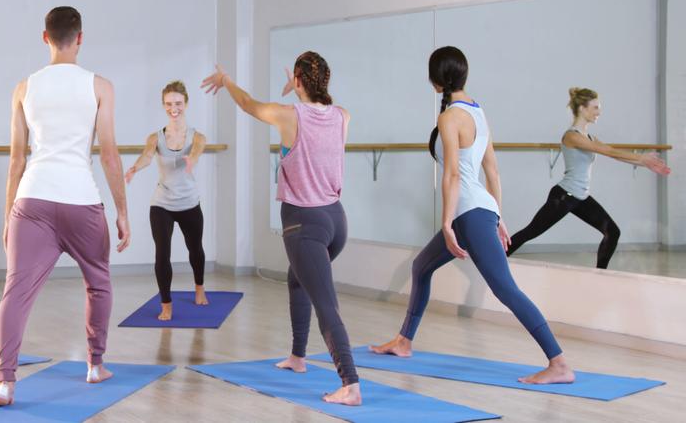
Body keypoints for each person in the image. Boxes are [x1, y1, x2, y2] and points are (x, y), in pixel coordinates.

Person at [371, 46, 575, 386]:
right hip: (477, 210)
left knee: (505, 288)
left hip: (467, 213)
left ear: (436, 79)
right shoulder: (477, 111)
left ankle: (559, 363)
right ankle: (404, 341)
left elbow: (452, 175)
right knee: (421, 267)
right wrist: (497, 214)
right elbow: (492, 171)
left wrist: (448, 223)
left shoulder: (450, 117)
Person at [202, 51, 360, 406]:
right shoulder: (342, 116)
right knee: (296, 280)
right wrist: (301, 88)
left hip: (305, 225)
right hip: (336, 220)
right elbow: (320, 121)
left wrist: (227, 81)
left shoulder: (288, 115)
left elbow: (247, 104)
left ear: (299, 80)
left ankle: (350, 384)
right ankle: (298, 357)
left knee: (326, 304)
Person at [0, 6, 131, 407]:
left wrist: (7, 218)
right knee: (99, 281)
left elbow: (17, 159)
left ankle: (5, 382)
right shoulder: (100, 86)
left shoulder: (24, 87)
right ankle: (95, 364)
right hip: (81, 200)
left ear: (45, 37)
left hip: (31, 199)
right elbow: (109, 155)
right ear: (81, 38)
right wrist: (122, 212)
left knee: (15, 292)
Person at [507, 87, 671, 268]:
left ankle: (601, 274)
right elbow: (607, 151)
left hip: (580, 197)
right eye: (595, 108)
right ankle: (494, 257)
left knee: (612, 232)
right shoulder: (571, 136)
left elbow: (615, 155)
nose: (599, 112)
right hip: (563, 197)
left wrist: (645, 164)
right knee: (531, 231)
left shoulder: (590, 136)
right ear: (582, 109)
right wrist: (641, 157)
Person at [125, 80, 208, 320]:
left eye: (178, 103)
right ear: (164, 106)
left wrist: (191, 159)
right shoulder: (155, 137)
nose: (174, 108)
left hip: (189, 202)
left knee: (195, 249)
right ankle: (166, 304)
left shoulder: (197, 136)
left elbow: (196, 150)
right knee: (162, 253)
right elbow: (147, 157)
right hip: (162, 203)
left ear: (186, 104)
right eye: (169, 104)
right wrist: (134, 168)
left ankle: (199, 288)